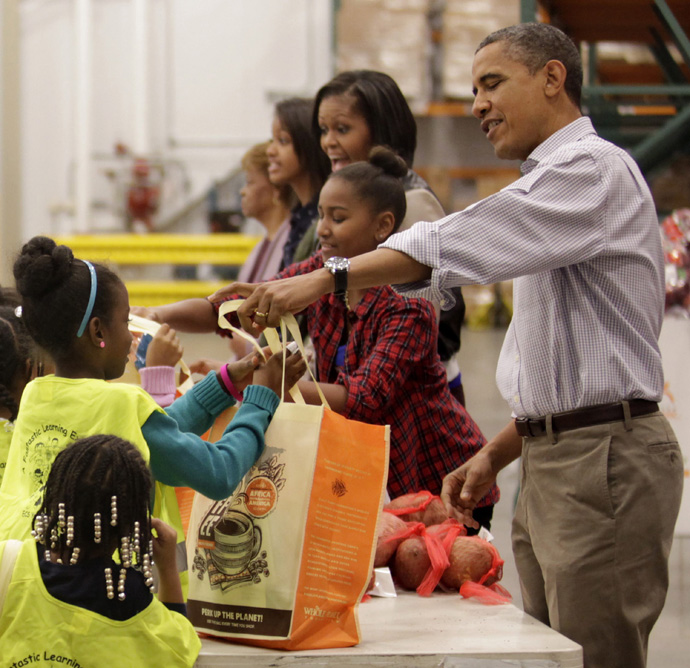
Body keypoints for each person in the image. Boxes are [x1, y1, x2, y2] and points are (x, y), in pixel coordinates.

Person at [213, 23, 684, 668]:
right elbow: (569, 367)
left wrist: (331, 276)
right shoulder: (547, 189)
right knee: (554, 649)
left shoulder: (589, 171)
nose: (477, 106)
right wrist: (498, 453)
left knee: (594, 652)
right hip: (558, 457)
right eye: (472, 90)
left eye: (493, 84)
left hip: (599, 461)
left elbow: (457, 240)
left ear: (553, 78)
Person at [212, 146, 498, 523]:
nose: (323, 229)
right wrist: (153, 314)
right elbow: (256, 298)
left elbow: (363, 401)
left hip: (442, 484)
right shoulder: (323, 271)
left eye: (338, 217)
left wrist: (263, 385)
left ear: (382, 226)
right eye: (321, 215)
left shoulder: (408, 305)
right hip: (373, 476)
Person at [0, 236, 305, 552]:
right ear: (98, 331)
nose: (132, 332)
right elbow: (219, 472)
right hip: (94, 597)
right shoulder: (121, 403)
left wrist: (224, 385)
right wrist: (260, 398)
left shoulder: (36, 395)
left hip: (28, 582)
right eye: (125, 320)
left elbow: (152, 432)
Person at [314, 69, 467, 404]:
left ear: (382, 132)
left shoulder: (413, 205)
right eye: (324, 130)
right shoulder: (344, 200)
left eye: (342, 129)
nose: (328, 142)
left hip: (409, 399)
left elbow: (411, 338)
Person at [0, 434, 200, 666]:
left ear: (54, 496)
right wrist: (167, 569)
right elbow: (179, 650)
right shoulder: (131, 597)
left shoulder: (8, 564)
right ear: (133, 521)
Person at [268, 98, 330, 268]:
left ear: (308, 144)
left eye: (283, 141)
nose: (270, 151)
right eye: (272, 141)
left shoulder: (323, 218)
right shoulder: (300, 216)